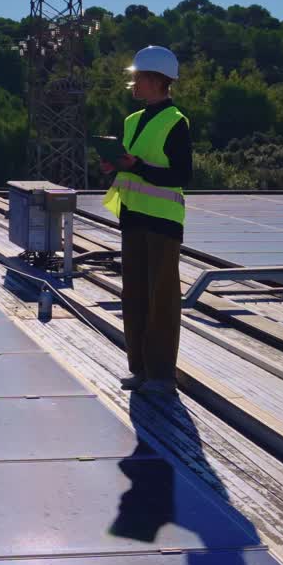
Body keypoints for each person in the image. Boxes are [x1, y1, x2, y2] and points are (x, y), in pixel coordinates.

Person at [100, 46, 192, 396]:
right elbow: (132, 163)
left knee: (162, 298)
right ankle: (140, 368)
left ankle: (162, 376)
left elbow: (182, 175)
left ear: (155, 80)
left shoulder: (176, 122)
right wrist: (115, 165)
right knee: (135, 296)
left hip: (163, 222)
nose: (133, 83)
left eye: (137, 77)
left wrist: (135, 166)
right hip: (134, 216)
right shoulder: (132, 121)